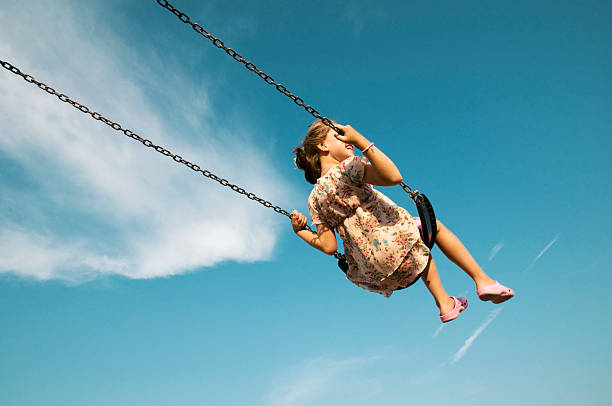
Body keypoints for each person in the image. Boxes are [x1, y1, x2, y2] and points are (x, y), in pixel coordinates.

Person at [291, 121, 514, 323]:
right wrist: (360, 140)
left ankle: (445, 304)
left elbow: (328, 246)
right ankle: (482, 280)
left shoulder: (313, 200)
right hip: (393, 240)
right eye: (338, 134)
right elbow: (393, 177)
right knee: (432, 228)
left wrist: (301, 232)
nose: (346, 138)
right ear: (322, 146)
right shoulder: (348, 168)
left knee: (416, 246)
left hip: (373, 271)